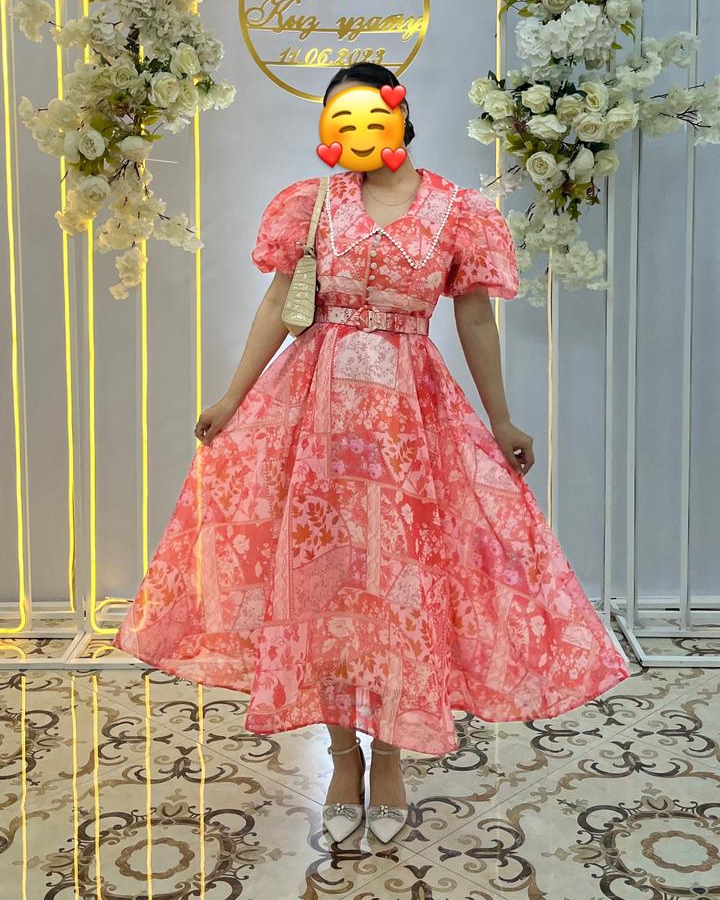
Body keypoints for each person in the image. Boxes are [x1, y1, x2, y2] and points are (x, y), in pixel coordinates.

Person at [113, 61, 631, 846]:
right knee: (324, 585)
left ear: (399, 118)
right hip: (315, 418)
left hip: (408, 424)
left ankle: (389, 756)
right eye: (338, 119)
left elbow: (476, 320)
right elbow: (279, 302)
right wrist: (232, 397)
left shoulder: (458, 212)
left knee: (399, 581)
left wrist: (501, 420)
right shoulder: (313, 204)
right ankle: (343, 756)